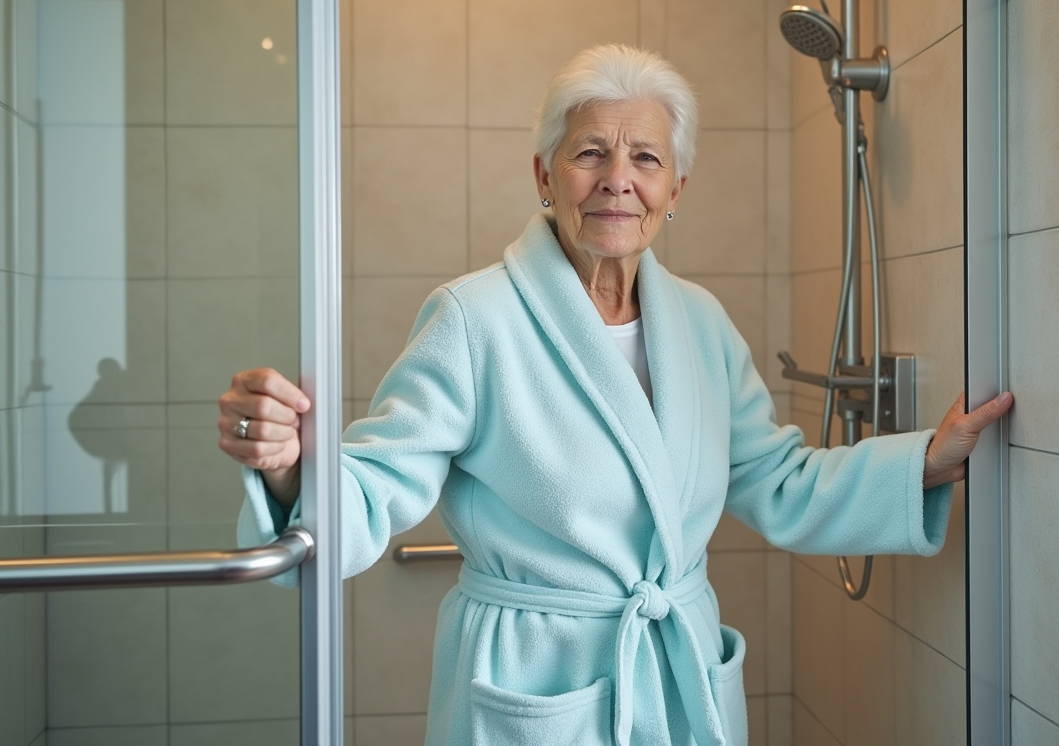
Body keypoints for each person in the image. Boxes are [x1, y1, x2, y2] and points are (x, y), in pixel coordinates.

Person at [217, 44, 1013, 746]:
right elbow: (377, 487)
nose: (617, 181)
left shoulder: (700, 323)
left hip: (674, 661)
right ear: (544, 175)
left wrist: (923, 467)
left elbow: (777, 481)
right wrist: (292, 468)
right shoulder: (474, 317)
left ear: (677, 190)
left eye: (646, 159)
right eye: (590, 152)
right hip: (538, 673)